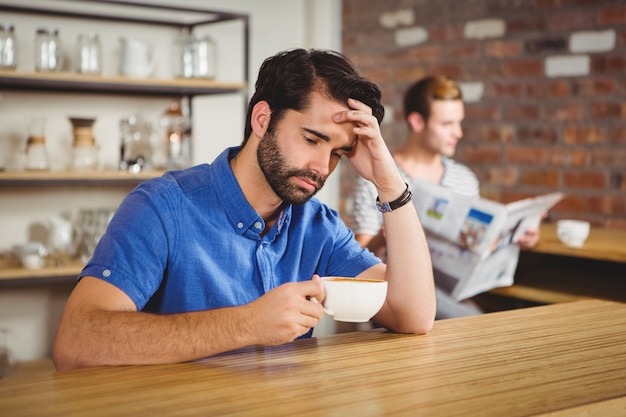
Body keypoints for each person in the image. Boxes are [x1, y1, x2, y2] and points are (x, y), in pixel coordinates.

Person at [53, 49, 436, 371]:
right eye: (312, 139)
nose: (323, 167)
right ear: (262, 119)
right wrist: (246, 324)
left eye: (338, 153)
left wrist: (390, 185)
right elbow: (77, 342)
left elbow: (413, 316)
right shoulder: (162, 206)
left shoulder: (318, 225)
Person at [351, 75, 540, 319]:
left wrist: (513, 236)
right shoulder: (376, 176)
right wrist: (388, 234)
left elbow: (476, 247)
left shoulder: (464, 179)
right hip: (397, 290)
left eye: (459, 123)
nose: (458, 133)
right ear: (417, 121)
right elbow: (358, 261)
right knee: (474, 321)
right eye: (447, 124)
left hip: (454, 290)